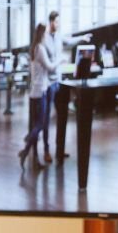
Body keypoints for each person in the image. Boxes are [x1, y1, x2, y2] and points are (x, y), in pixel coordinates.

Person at [40, 11, 91, 163]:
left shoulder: (59, 36)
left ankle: (60, 150)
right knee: (46, 119)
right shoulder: (43, 39)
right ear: (50, 22)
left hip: (59, 82)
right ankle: (46, 150)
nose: (58, 24)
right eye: (56, 22)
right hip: (48, 83)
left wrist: (82, 38)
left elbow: (69, 41)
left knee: (62, 116)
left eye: (59, 22)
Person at [19, 24, 56, 170]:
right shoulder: (40, 48)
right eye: (45, 33)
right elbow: (50, 67)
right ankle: (29, 136)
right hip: (41, 92)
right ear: (42, 34)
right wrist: (62, 61)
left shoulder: (33, 48)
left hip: (33, 93)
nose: (47, 36)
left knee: (37, 124)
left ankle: (26, 153)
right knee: (40, 124)